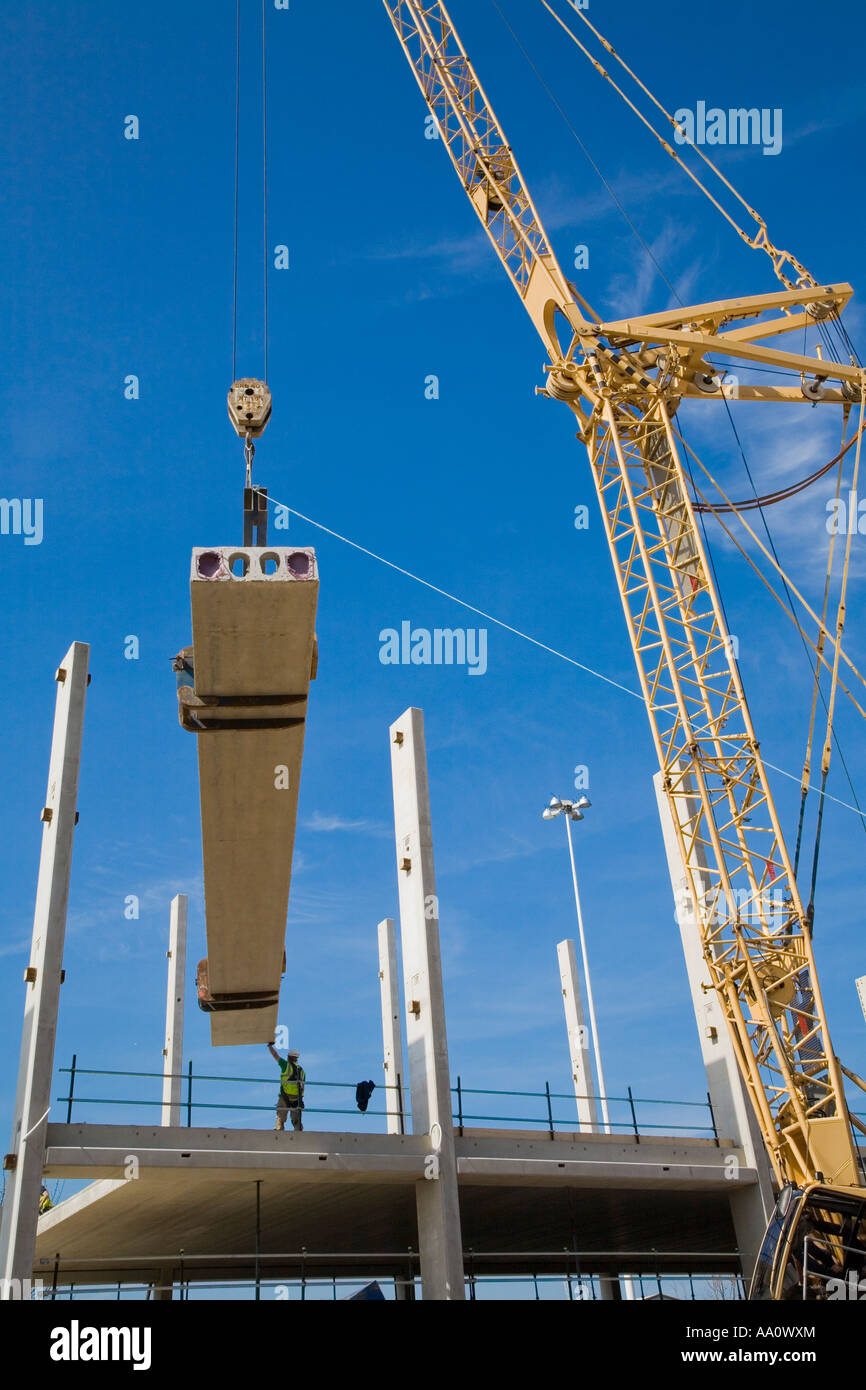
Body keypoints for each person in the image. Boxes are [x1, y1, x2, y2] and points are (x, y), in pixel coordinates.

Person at [268, 1042, 305, 1131]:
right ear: (296, 1059)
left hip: (285, 1096)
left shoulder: (286, 1065)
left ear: (288, 1057)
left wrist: (270, 1046)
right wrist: (300, 1100)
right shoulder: (302, 1071)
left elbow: (275, 1055)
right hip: (297, 1098)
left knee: (280, 1116)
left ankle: (279, 1128)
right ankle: (298, 1131)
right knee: (297, 1120)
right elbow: (302, 1086)